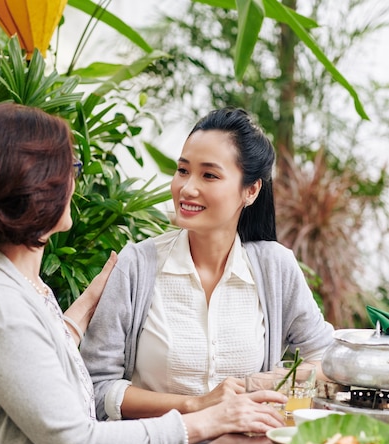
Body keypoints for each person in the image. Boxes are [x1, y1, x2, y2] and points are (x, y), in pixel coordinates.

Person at [0, 103, 286, 444]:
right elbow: (77, 440)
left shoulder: (17, 286)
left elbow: (27, 362)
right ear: (32, 186)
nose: (76, 179)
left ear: (251, 191)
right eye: (70, 168)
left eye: (208, 174)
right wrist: (201, 417)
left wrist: (70, 324)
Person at [81, 107, 334, 423]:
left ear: (251, 190)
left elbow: (328, 361)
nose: (187, 188)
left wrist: (256, 385)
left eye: (209, 175)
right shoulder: (136, 265)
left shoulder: (274, 266)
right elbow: (96, 387)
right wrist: (195, 404)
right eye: (183, 171)